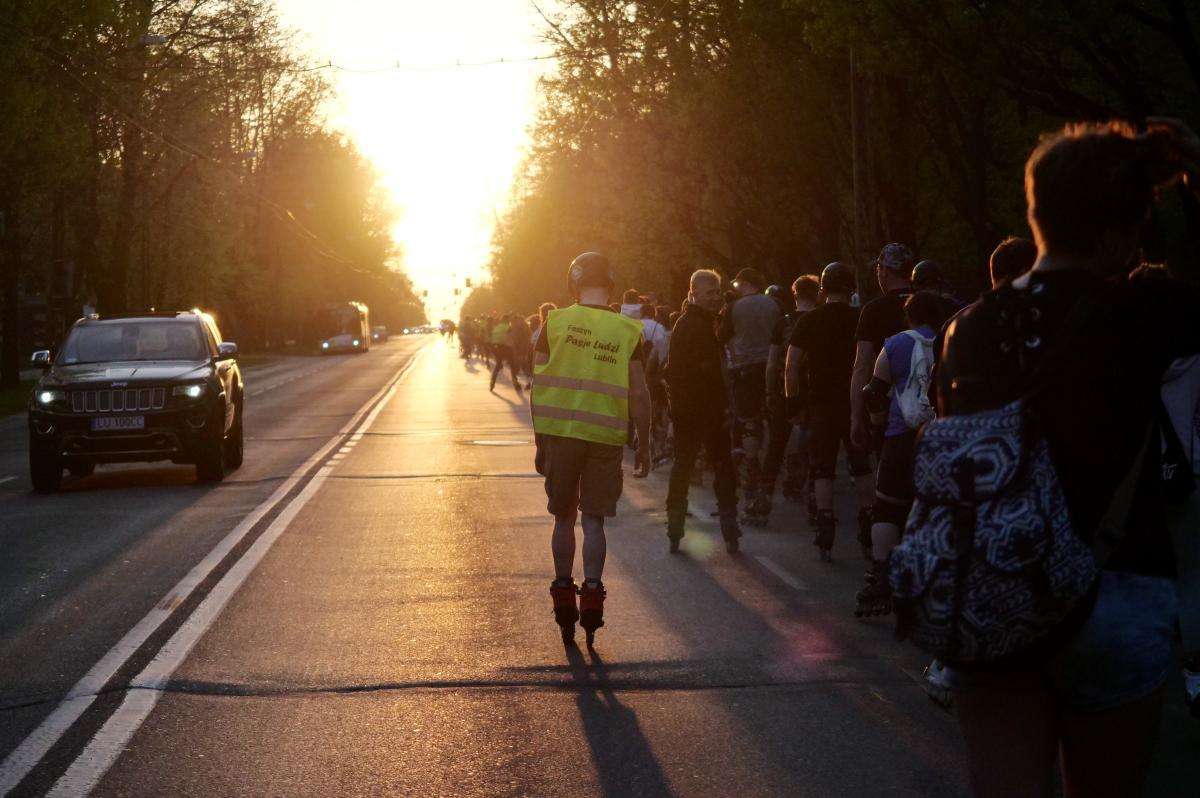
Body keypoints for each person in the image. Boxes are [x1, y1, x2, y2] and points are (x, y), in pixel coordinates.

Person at [933, 118, 1200, 798]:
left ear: (1036, 210)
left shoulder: (969, 328)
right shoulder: (1144, 312)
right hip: (1117, 583)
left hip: (995, 588)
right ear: (1126, 226)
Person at [531, 252, 651, 648]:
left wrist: (540, 441)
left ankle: (564, 590)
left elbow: (538, 383)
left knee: (564, 518)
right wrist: (644, 443)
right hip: (605, 436)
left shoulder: (555, 322)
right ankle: (593, 596)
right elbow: (639, 391)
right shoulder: (627, 330)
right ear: (612, 285)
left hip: (561, 434)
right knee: (595, 520)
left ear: (573, 283)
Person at [854, 291, 953, 618]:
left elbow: (875, 393)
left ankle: (882, 576)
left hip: (900, 437)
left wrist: (876, 425)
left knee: (886, 509)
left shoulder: (896, 343)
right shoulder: (949, 339)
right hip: (938, 439)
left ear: (907, 315)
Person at [786, 262, 875, 561]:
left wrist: (793, 403)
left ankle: (825, 523)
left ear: (822, 290)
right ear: (850, 289)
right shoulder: (860, 317)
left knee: (822, 468)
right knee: (860, 465)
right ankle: (867, 522)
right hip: (853, 403)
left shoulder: (808, 321)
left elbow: (791, 366)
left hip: (819, 405)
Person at [665, 269, 742, 554]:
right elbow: (701, 373)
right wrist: (722, 407)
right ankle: (727, 526)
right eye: (710, 293)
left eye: (717, 292)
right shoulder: (696, 325)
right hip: (703, 410)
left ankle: (677, 527)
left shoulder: (699, 323)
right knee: (718, 468)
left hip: (694, 411)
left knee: (686, 467)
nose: (715, 298)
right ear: (694, 292)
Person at [848, 243, 913, 557]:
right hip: (937, 415)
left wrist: (856, 416)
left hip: (889, 415)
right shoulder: (936, 305)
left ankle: (884, 567)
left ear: (884, 272)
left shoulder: (874, 310)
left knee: (887, 492)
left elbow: (862, 366)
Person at [717, 267, 782, 520]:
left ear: (744, 284)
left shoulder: (734, 308)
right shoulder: (775, 304)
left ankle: (752, 469)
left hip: (744, 370)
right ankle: (776, 472)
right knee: (775, 422)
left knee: (748, 422)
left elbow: (721, 337)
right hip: (771, 368)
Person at [758, 274, 820, 524]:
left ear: (795, 295)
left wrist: (769, 390)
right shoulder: (821, 320)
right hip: (814, 391)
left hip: (785, 389)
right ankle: (816, 500)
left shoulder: (783, 322)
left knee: (776, 444)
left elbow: (772, 362)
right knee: (816, 446)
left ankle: (763, 499)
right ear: (817, 294)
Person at [489, 313, 521, 395]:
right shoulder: (508, 327)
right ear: (507, 320)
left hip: (495, 347)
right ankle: (515, 383)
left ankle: (492, 382)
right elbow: (510, 339)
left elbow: (492, 338)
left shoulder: (496, 327)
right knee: (512, 365)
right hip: (505, 347)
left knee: (498, 364)